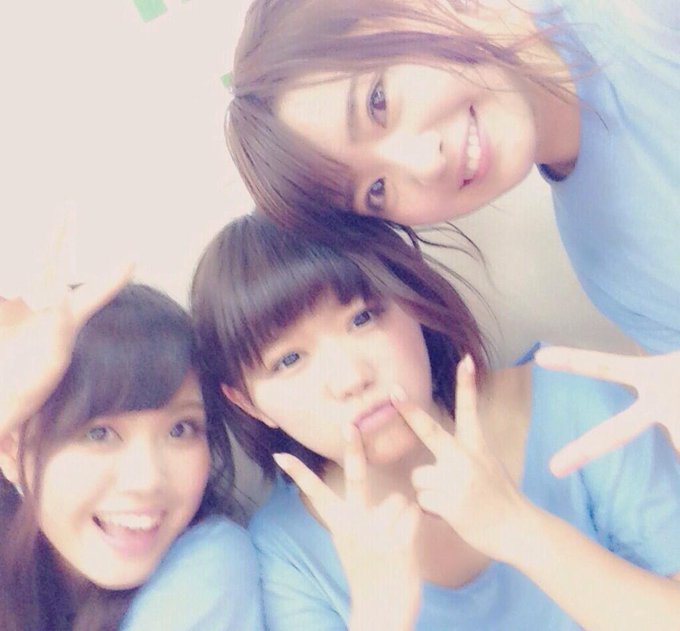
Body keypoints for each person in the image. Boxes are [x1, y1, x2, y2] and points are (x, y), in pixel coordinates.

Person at [225, 0, 680, 474]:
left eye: (378, 102)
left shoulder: (646, 19)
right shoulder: (610, 266)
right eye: (376, 190)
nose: (426, 163)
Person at [191, 211, 680, 631]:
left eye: (362, 318)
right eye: (289, 360)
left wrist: (519, 530)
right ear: (248, 404)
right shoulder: (285, 549)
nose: (350, 379)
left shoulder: (569, 403)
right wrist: (379, 616)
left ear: (414, 301)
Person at [0, 279, 263, 631]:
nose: (147, 479)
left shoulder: (209, 566)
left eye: (180, 429)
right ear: (10, 449)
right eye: (99, 434)